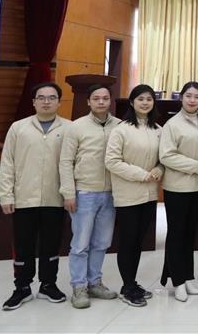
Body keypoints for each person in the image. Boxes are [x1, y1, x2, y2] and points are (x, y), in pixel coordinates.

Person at [0, 81, 71, 310]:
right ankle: (22, 287)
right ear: (34, 102)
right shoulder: (18, 128)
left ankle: (48, 285)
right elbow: (7, 163)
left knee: (52, 245)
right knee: (23, 245)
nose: (46, 102)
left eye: (52, 98)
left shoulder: (69, 128)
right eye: (41, 97)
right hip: (24, 198)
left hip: (55, 198)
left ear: (59, 102)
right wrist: (6, 195)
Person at [59, 84, 121, 309]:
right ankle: (79, 286)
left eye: (105, 98)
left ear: (110, 101)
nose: (101, 102)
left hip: (111, 193)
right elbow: (66, 161)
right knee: (80, 244)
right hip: (84, 192)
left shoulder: (120, 126)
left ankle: (94, 282)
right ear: (89, 101)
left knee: (102, 243)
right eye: (96, 98)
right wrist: (69, 193)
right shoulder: (76, 127)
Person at [105, 84, 164, 307]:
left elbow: (164, 158)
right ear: (132, 102)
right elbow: (112, 161)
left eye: (149, 99)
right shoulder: (121, 129)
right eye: (140, 99)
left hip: (149, 194)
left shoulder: (158, 129)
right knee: (128, 240)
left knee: (139, 240)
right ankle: (127, 286)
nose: (145, 103)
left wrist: (159, 169)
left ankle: (132, 282)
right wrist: (141, 174)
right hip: (128, 192)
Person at [159, 81, 198, 302]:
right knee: (177, 233)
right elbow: (166, 155)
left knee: (190, 234)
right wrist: (197, 166)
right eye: (188, 96)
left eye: (197, 97)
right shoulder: (172, 124)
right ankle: (177, 281)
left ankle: (188, 277)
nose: (192, 100)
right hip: (177, 187)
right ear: (181, 98)